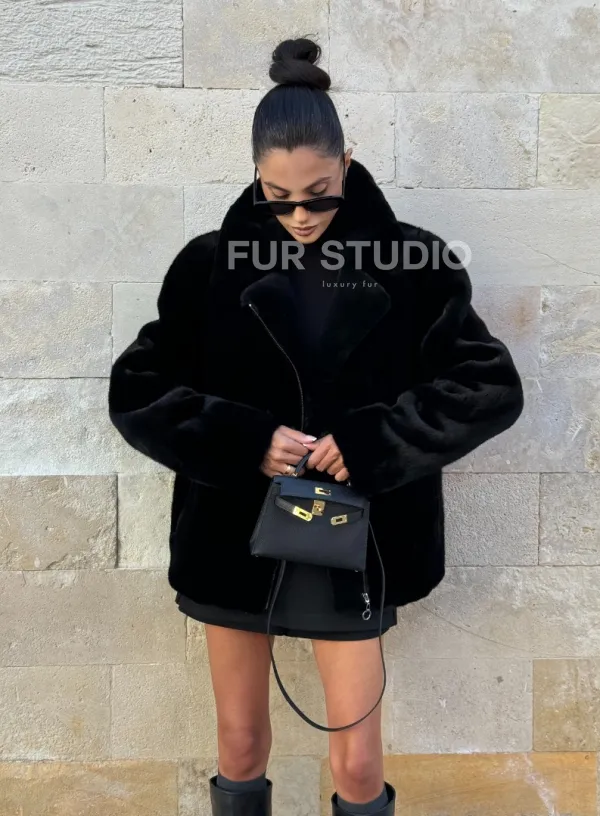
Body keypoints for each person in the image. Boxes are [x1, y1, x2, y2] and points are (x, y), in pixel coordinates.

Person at [108, 37, 524, 816]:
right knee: (239, 744)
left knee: (358, 763)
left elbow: (489, 386)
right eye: (277, 195)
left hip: (355, 540)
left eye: (320, 193)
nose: (299, 215)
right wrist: (244, 440)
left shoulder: (413, 262)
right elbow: (138, 390)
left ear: (348, 162)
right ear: (254, 176)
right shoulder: (208, 266)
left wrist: (371, 442)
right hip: (234, 537)